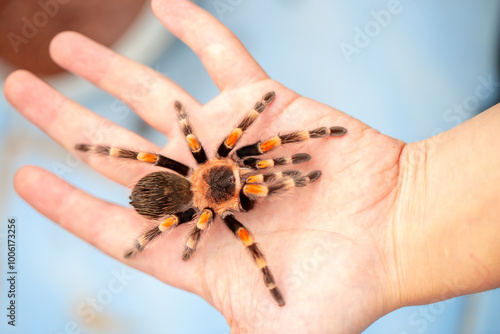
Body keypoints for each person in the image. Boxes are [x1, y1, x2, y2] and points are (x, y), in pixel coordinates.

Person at [4, 0, 500, 333]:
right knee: (226, 214)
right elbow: (211, 224)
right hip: (189, 197)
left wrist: (409, 204)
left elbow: (245, 134)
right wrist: (185, 238)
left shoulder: (225, 163)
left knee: (253, 163)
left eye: (242, 176)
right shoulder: (207, 193)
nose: (246, 177)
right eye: (243, 179)